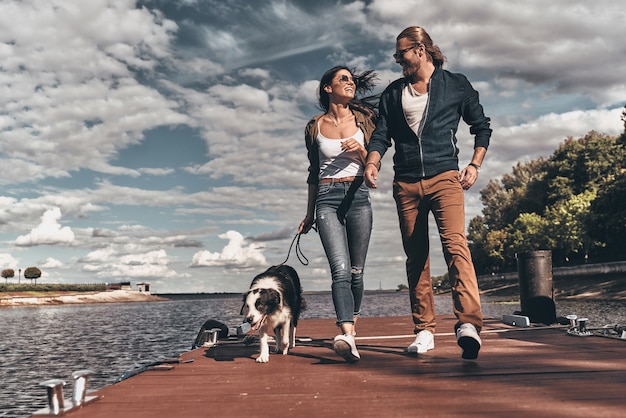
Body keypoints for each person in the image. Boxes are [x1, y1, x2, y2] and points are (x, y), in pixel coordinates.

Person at [364, 26, 492, 360]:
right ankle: (424, 330)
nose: (397, 60)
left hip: (445, 178)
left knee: (455, 246)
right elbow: (381, 135)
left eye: (400, 53)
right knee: (416, 256)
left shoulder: (455, 84)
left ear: (420, 50)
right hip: (406, 183)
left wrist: (474, 164)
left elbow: (481, 127)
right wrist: (373, 161)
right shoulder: (393, 93)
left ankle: (468, 325)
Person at [298, 66, 378, 363]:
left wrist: (361, 151)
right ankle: (345, 333)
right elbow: (312, 172)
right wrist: (309, 214)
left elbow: (375, 157)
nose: (351, 83)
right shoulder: (314, 126)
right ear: (327, 88)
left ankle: (351, 327)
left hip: (358, 195)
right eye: (343, 79)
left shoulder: (365, 121)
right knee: (341, 270)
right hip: (327, 199)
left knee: (357, 272)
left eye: (352, 80)